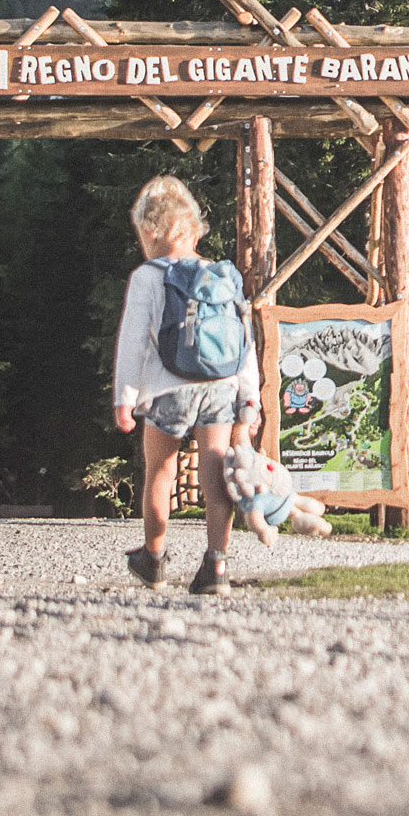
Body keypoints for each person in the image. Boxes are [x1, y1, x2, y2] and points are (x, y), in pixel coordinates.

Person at [112, 174, 261, 597]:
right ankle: (216, 565)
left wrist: (125, 397)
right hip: (220, 387)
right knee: (215, 475)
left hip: (166, 388)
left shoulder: (148, 275)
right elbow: (243, 340)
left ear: (150, 231)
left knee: (160, 472)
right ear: (194, 229)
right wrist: (248, 395)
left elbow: (133, 339)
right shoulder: (221, 275)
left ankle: (154, 559)